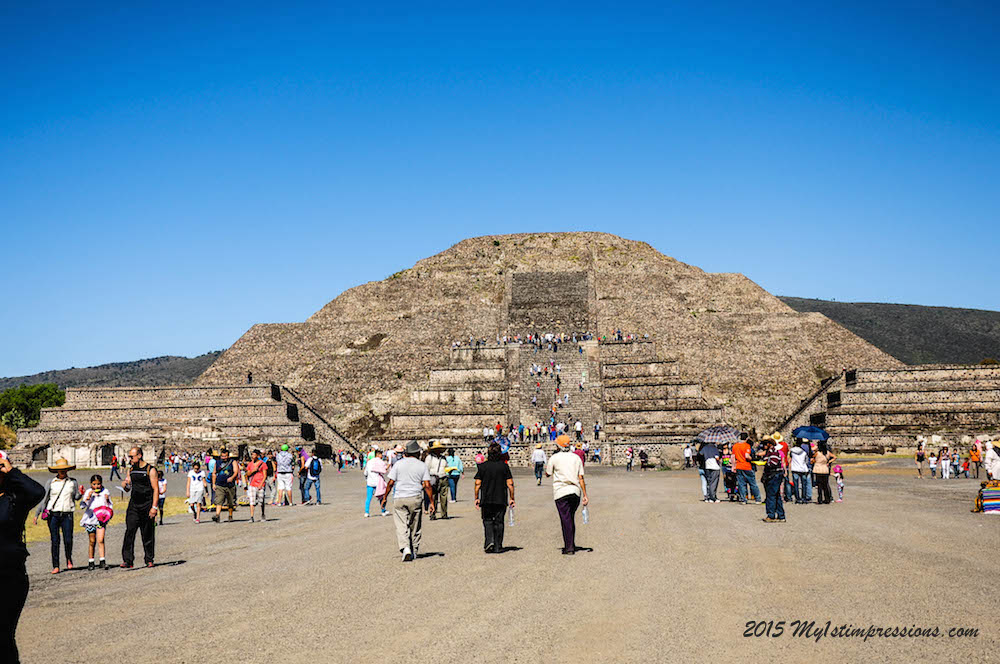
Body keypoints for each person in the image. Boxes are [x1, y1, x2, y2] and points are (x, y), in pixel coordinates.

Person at [0, 452, 46, 663]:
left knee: (3, 635)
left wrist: (11, 471)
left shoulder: (15, 499)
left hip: (10, 576)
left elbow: (37, 491)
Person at [381, 440, 434, 562]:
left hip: (399, 497)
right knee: (415, 524)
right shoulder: (422, 465)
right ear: (417, 453)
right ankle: (414, 549)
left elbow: (390, 483)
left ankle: (405, 548)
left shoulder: (399, 464)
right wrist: (431, 502)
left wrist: (384, 497)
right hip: (415, 497)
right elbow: (427, 485)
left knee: (401, 525)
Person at [33, 457, 79, 574]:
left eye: (64, 469)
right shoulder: (51, 483)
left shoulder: (72, 482)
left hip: (67, 514)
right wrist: (37, 514)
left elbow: (76, 497)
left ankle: (68, 558)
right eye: (60, 469)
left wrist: (81, 494)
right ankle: (56, 565)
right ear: (57, 471)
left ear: (67, 470)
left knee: (68, 539)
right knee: (55, 540)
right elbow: (45, 499)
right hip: (53, 514)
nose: (62, 471)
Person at [544, 435, 589, 555]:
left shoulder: (554, 458)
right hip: (575, 492)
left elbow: (548, 473)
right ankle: (570, 544)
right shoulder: (576, 458)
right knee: (570, 518)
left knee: (565, 519)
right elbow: (581, 478)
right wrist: (585, 495)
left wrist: (548, 472)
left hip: (561, 492)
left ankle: (569, 547)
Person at [120, 447, 159, 568]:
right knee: (129, 531)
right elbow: (128, 488)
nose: (130, 459)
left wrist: (154, 507)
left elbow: (156, 489)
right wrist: (125, 485)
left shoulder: (150, 470)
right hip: (134, 505)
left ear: (140, 455)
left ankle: (149, 559)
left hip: (147, 504)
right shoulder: (131, 470)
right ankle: (128, 560)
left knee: (147, 533)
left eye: (132, 457)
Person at [474, 442, 515, 553]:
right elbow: (510, 484)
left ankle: (489, 541)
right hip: (500, 498)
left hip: (486, 498)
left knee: (487, 521)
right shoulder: (504, 466)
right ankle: (498, 545)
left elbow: (477, 484)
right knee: (499, 522)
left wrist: (476, 497)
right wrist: (512, 498)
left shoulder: (482, 467)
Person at [79, 474, 112, 570]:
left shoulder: (105, 491)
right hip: (90, 519)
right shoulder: (89, 492)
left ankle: (102, 560)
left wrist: (107, 500)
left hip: (101, 519)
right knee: (92, 541)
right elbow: (82, 506)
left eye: (98, 484)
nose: (96, 486)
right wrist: (87, 497)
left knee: (101, 540)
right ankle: (91, 561)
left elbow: (109, 506)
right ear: (91, 484)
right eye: (94, 484)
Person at [760, 439, 786, 523]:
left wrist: (766, 463)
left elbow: (773, 463)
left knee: (771, 495)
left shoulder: (772, 451)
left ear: (769, 444)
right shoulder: (772, 451)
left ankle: (771, 515)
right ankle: (781, 515)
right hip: (776, 475)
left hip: (773, 475)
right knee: (777, 495)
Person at [732, 434, 762, 504]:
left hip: (738, 466)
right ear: (746, 438)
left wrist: (734, 466)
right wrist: (753, 459)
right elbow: (747, 456)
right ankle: (757, 499)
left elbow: (733, 457)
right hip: (746, 466)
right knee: (753, 483)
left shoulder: (735, 446)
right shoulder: (746, 445)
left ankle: (743, 499)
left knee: (741, 484)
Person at [211, 448, 238, 523]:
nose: (224, 458)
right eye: (222, 456)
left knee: (230, 502)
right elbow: (214, 473)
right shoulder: (218, 462)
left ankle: (230, 515)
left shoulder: (233, 462)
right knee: (219, 500)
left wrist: (232, 477)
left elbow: (236, 471)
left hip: (230, 485)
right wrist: (213, 484)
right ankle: (217, 515)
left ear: (228, 456)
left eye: (225, 456)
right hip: (220, 484)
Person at [424, 441, 449, 520]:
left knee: (444, 497)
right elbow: (426, 469)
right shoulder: (429, 458)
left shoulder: (443, 458)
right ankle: (433, 514)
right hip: (433, 478)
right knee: (433, 497)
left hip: (443, 478)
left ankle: (444, 514)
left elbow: (446, 467)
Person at [363, 449, 388, 517]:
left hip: (370, 482)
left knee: (368, 498)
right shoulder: (380, 462)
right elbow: (384, 470)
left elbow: (365, 472)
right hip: (378, 482)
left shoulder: (369, 462)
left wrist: (367, 478)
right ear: (378, 455)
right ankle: (383, 511)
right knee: (381, 497)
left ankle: (366, 512)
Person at [245, 450, 268, 522]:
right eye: (252, 455)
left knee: (261, 501)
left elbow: (265, 475)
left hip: (260, 484)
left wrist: (261, 484)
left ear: (258, 456)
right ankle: (251, 516)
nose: (252, 457)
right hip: (252, 484)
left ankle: (262, 514)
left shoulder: (263, 464)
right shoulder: (250, 464)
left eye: (254, 455)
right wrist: (253, 471)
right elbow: (247, 474)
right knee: (252, 501)